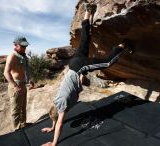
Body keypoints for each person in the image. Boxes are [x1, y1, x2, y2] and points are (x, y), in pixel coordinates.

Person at [41, 3, 133, 146]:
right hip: (74, 64)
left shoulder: (63, 105)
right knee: (84, 40)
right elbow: (54, 117)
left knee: (106, 63)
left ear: (60, 112)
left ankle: (124, 45)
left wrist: (53, 143)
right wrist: (51, 127)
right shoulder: (56, 103)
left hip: (78, 66)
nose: (62, 117)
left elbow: (59, 123)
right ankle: (88, 12)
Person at [4, 36, 34, 131]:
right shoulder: (12, 56)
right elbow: (6, 72)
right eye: (22, 46)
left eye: (25, 46)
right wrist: (14, 85)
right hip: (16, 85)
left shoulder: (23, 56)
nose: (25, 48)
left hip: (23, 83)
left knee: (22, 107)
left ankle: (23, 124)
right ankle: (16, 130)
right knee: (15, 110)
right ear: (16, 45)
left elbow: (26, 69)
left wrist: (30, 79)